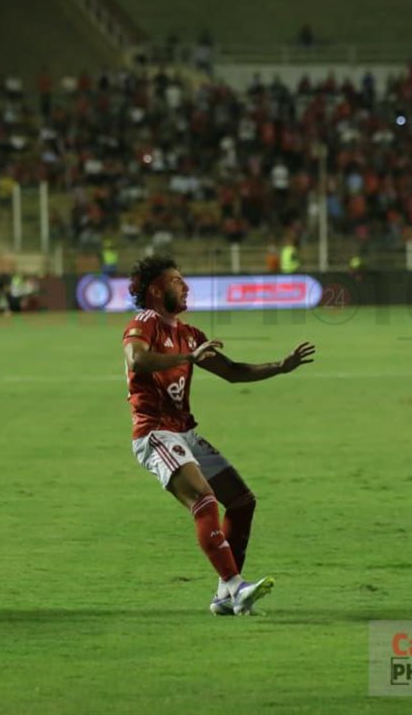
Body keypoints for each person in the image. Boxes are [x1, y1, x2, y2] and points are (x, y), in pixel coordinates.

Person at [122, 256, 316, 616]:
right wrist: (187, 357)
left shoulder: (189, 334)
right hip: (154, 432)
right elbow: (137, 359)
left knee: (241, 501)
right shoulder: (144, 323)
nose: (186, 287)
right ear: (156, 290)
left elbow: (232, 372)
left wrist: (280, 366)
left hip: (184, 433)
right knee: (204, 498)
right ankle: (234, 585)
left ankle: (224, 597)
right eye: (177, 281)